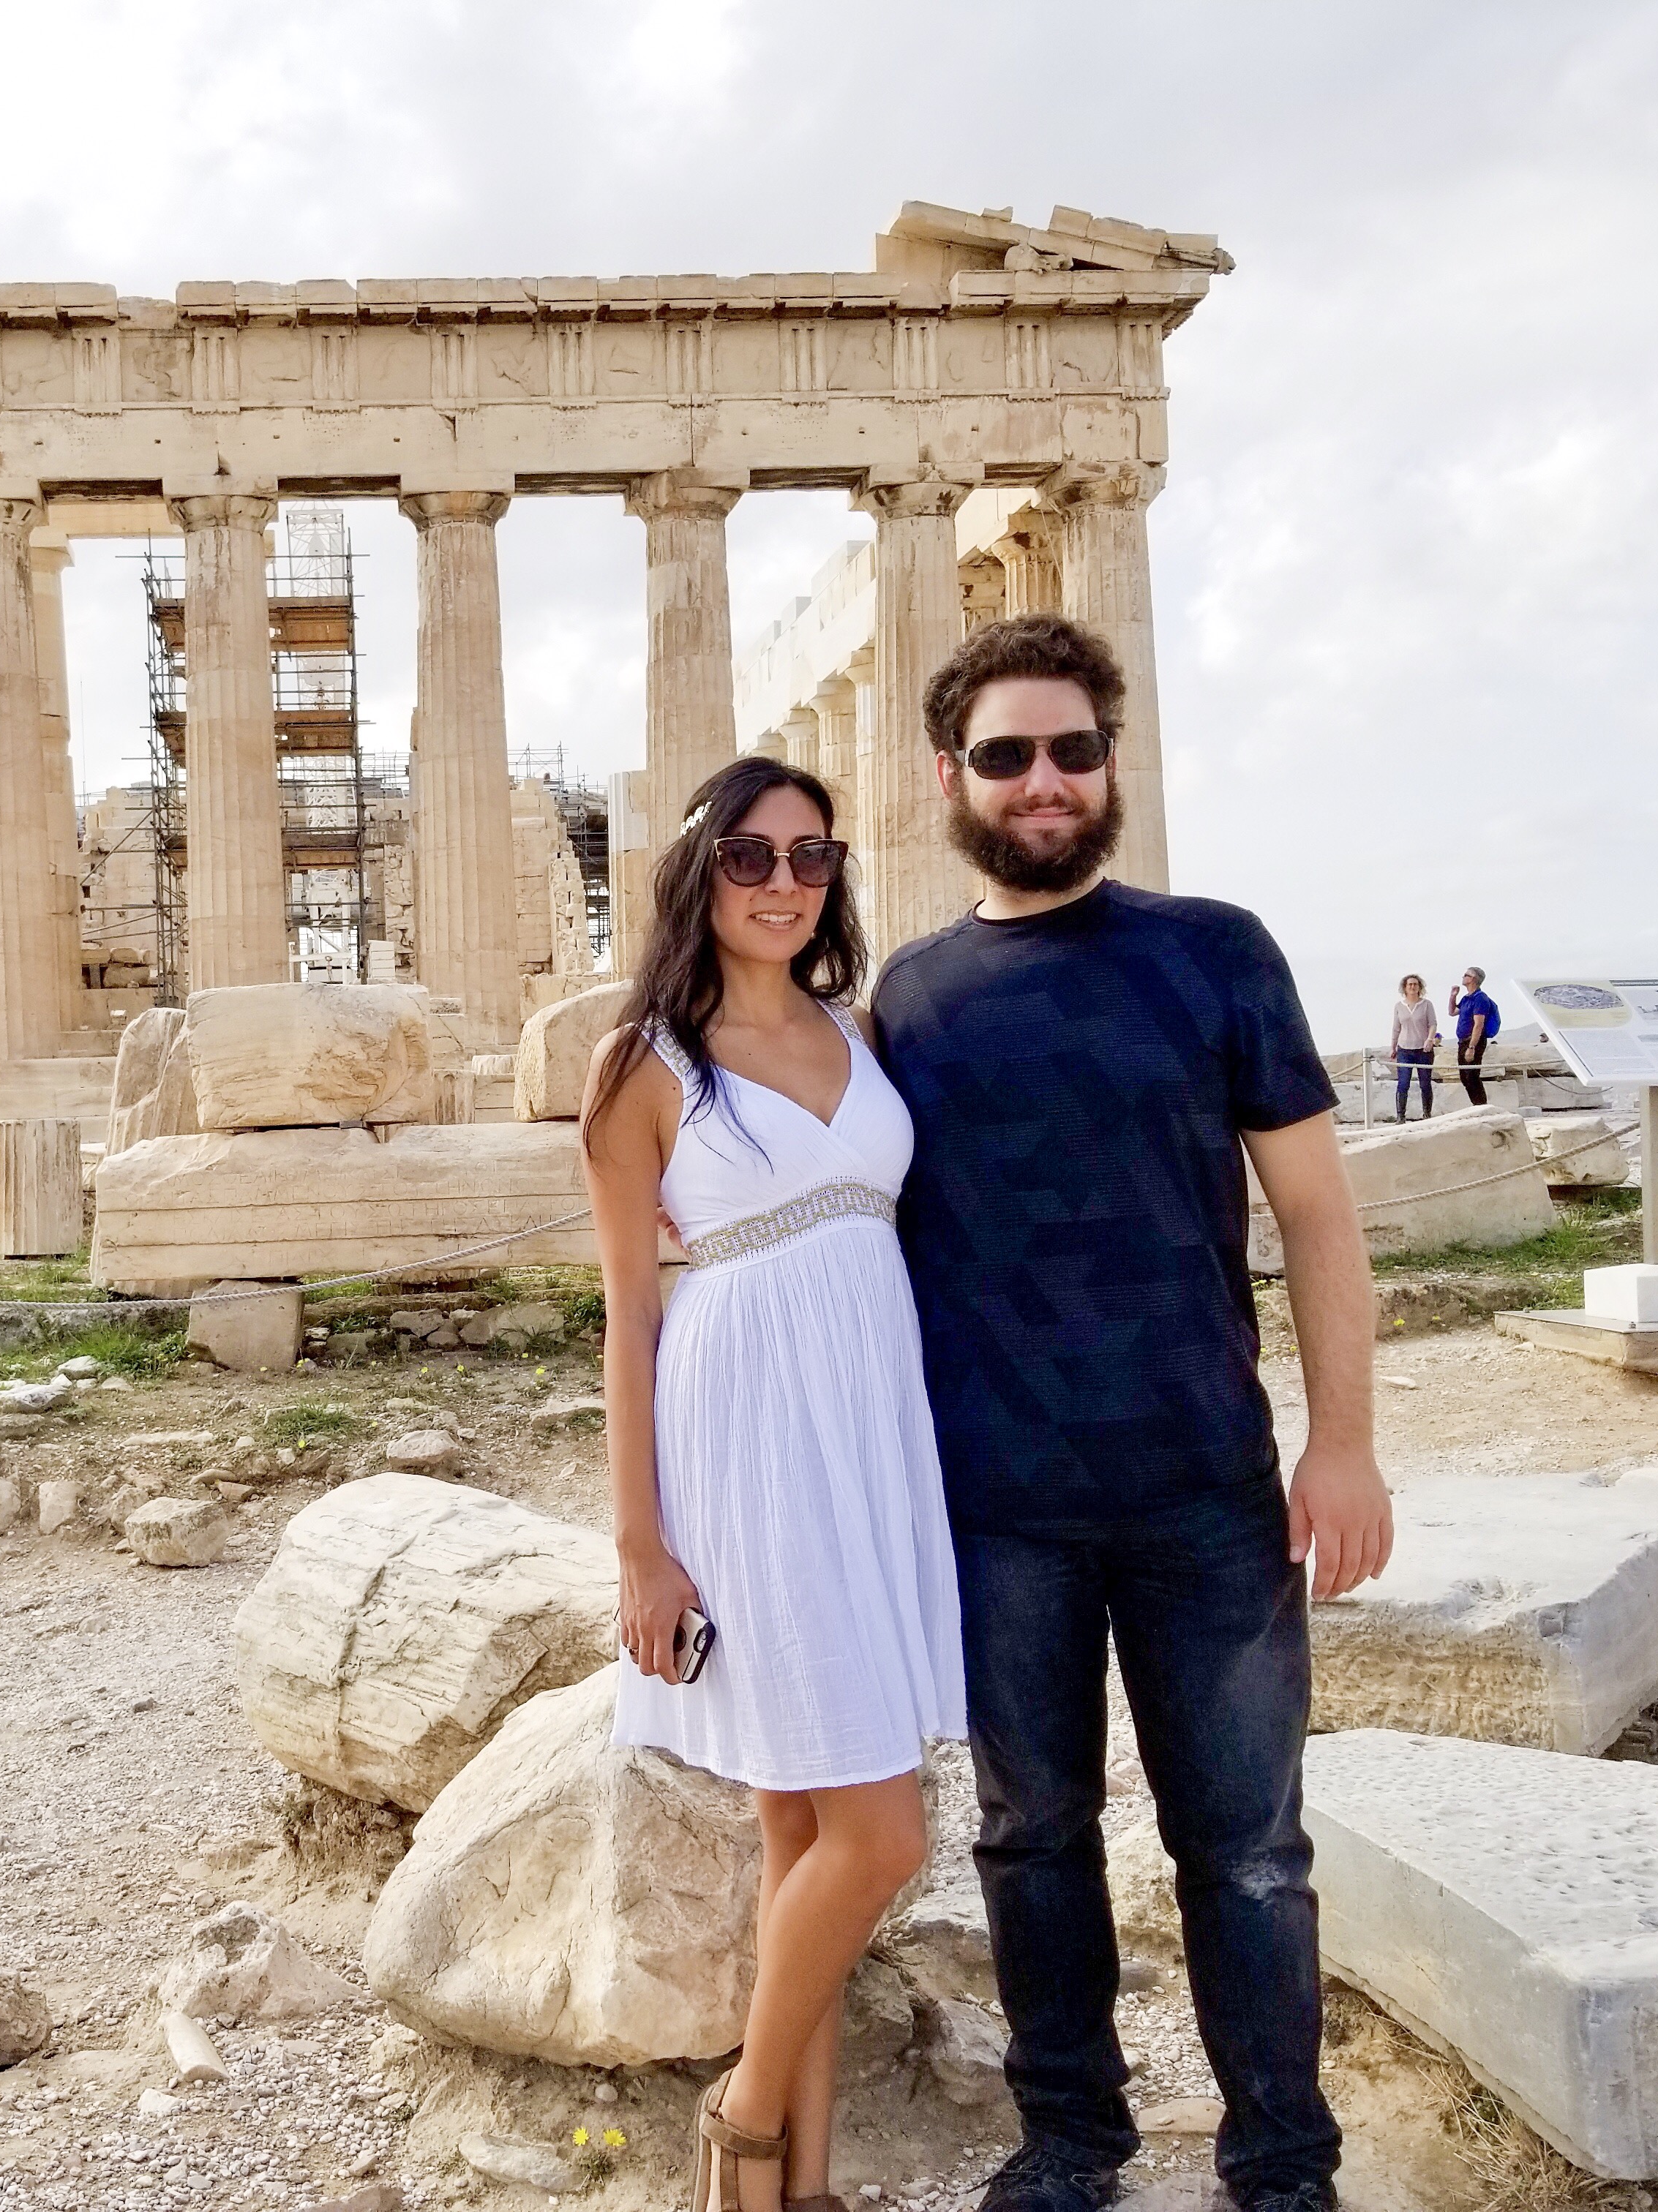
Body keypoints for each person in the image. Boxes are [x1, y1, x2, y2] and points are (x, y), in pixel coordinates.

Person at [871, 614, 1389, 2212]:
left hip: (1203, 1491)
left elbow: (1315, 1214)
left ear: (1113, 763)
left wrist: (1347, 1442)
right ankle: (1074, 2141)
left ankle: (1282, 2163)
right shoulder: (910, 994)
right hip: (1000, 1500)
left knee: (1247, 1851)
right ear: (948, 776)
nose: (1046, 780)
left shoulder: (1214, 951)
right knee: (1034, 1840)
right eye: (1010, 754)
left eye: (1075, 750)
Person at [581, 753, 967, 2212]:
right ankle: (741, 2132)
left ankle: (802, 2191)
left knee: (805, 1831)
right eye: (751, 856)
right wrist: (641, 1548)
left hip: (877, 1440)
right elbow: (629, 1315)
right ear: (700, 872)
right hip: (744, 1445)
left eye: (812, 857)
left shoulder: (860, 1032)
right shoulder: (642, 1067)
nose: (786, 881)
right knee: (882, 1832)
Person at [1387, 974, 1438, 1120]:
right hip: (1404, 1049)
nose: (1412, 987)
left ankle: (1427, 1114)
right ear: (1405, 987)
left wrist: (1430, 1039)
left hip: (1423, 1050)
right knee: (1403, 1084)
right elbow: (1396, 1028)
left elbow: (1433, 1023)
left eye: (1415, 984)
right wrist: (1393, 1046)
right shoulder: (1399, 1006)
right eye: (1410, 984)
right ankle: (1400, 1116)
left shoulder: (1427, 1004)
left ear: (1419, 987)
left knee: (1425, 1083)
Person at [1447, 969, 1499, 1107]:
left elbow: (1479, 1024)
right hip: (1463, 1040)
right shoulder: (1466, 998)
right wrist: (1453, 996)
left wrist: (1472, 1047)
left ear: (1474, 979)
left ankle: (1482, 1106)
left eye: (1466, 975)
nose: (1463, 977)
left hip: (1473, 1041)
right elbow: (1452, 1012)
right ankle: (1478, 1105)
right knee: (1465, 1077)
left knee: (1472, 1075)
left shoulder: (1480, 998)